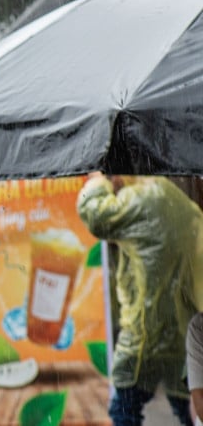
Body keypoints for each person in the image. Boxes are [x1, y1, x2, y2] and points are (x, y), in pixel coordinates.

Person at [77, 173, 203, 426]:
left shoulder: (140, 200)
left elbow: (93, 214)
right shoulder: (182, 203)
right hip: (183, 331)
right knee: (189, 411)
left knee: (124, 410)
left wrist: (97, 181)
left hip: (147, 333)